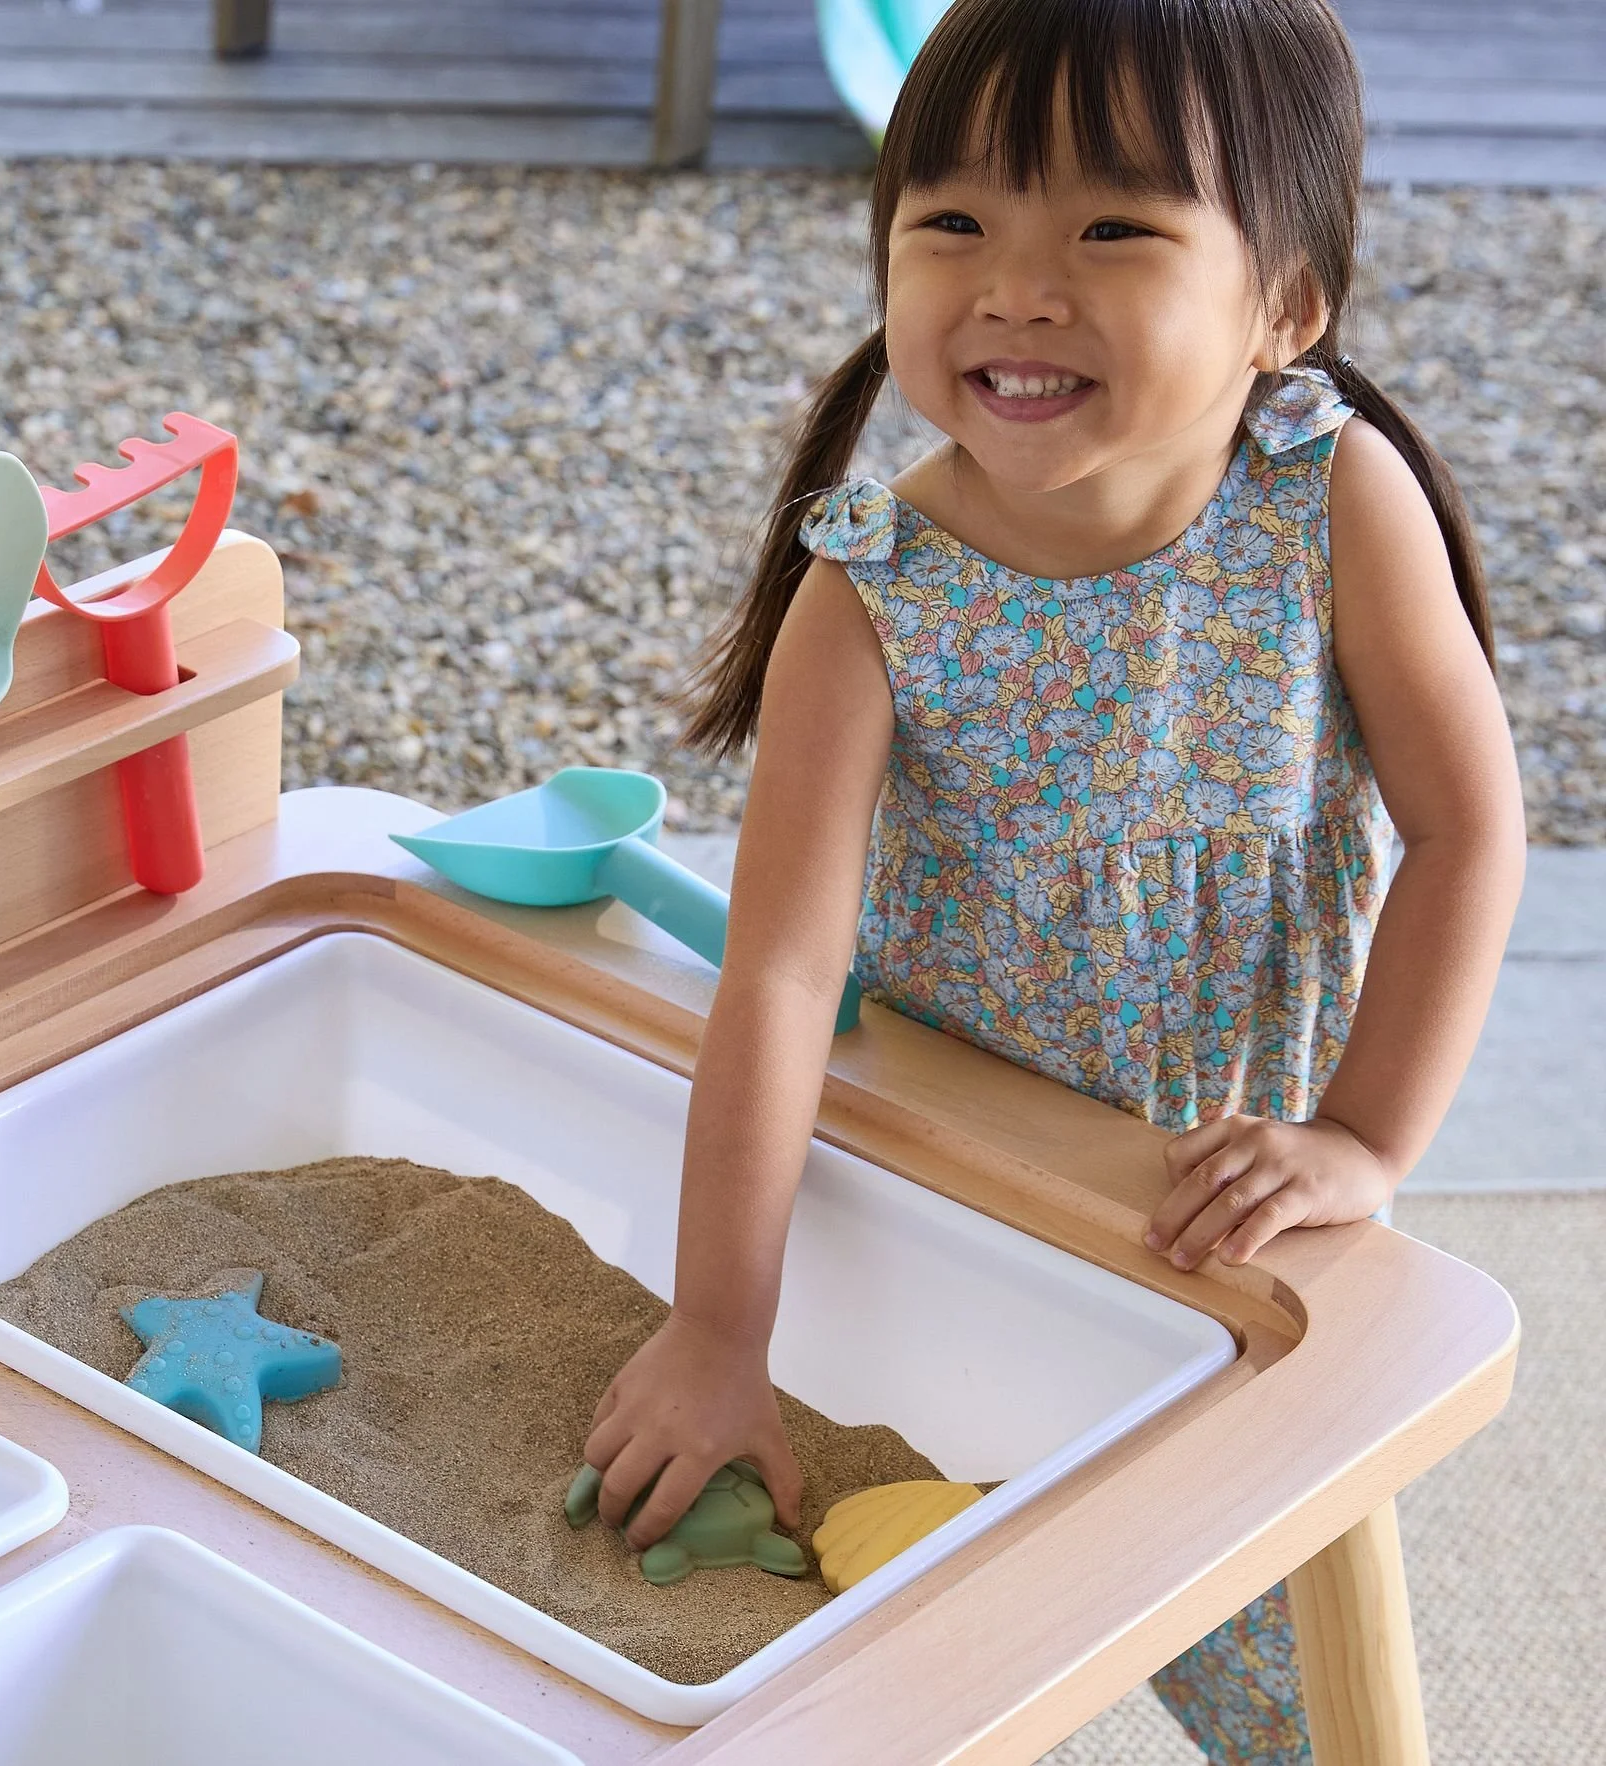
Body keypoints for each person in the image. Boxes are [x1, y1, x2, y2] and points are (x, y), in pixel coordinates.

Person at [581, 0, 1526, 1759]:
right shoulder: (870, 594)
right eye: (953, 221)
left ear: (1287, 301)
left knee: (1290, 1674)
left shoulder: (1330, 501)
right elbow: (779, 976)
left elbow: (1471, 828)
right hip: (956, 1191)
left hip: (1230, 1214)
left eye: (1112, 228)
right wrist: (716, 1327)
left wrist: (1363, 1137)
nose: (1017, 289)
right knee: (943, 1617)